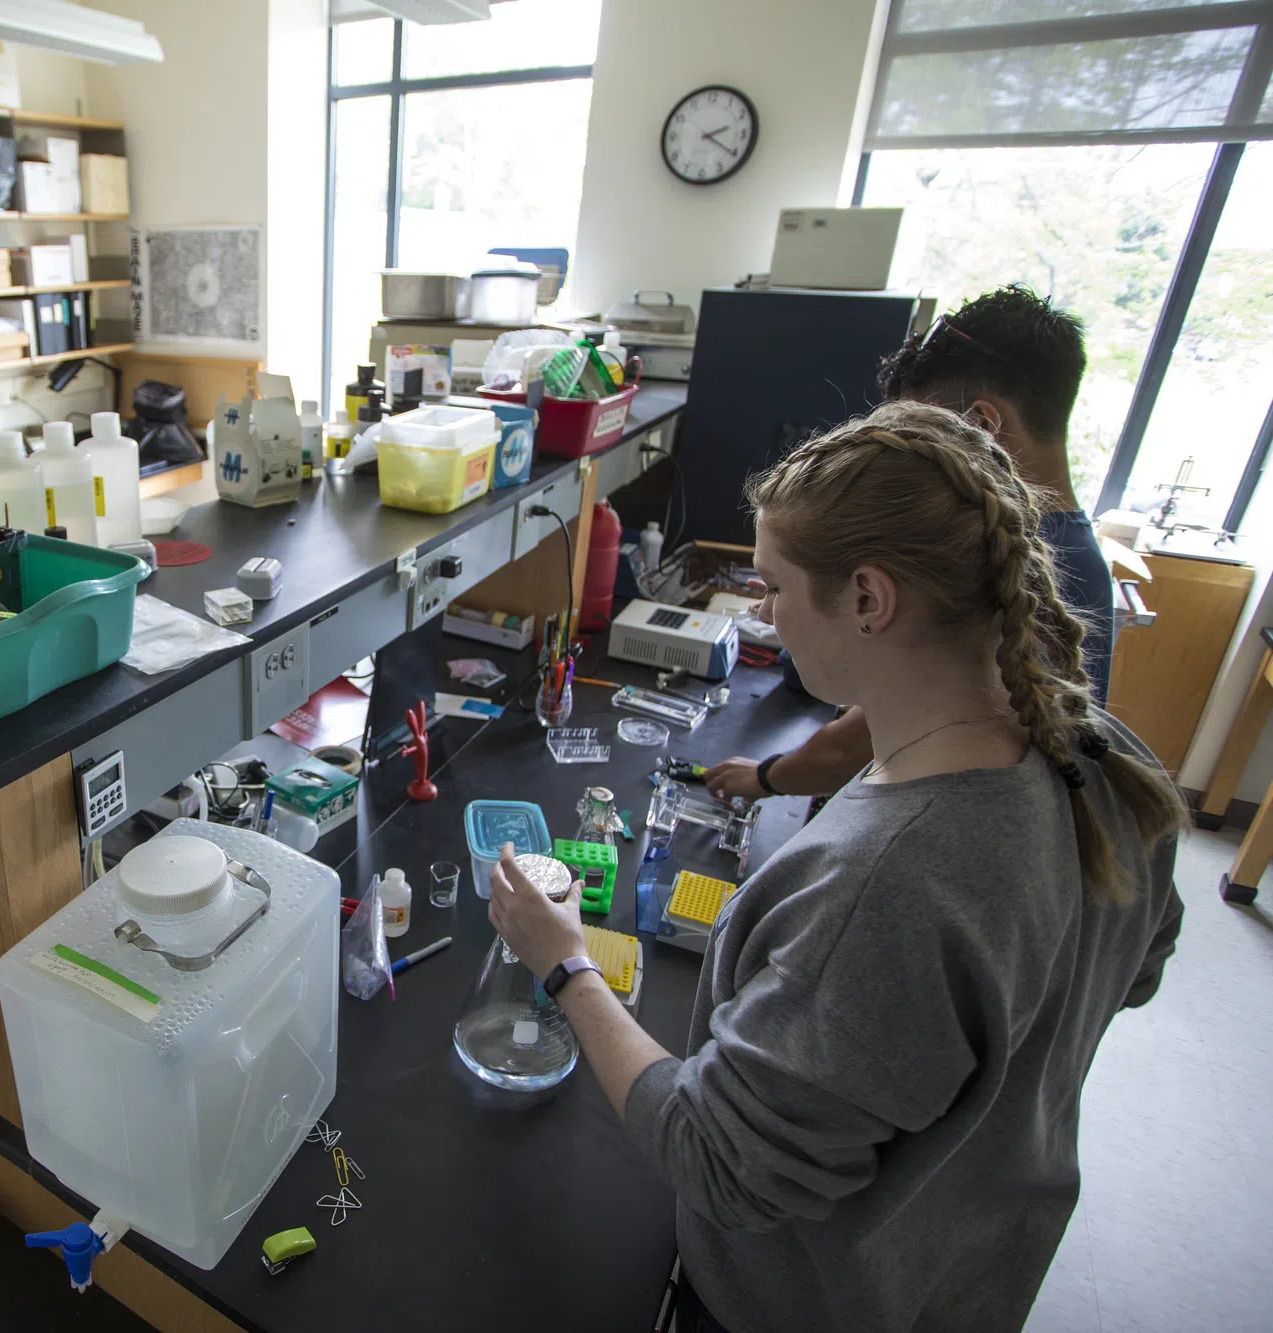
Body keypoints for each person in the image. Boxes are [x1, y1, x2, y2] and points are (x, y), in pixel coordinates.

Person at [489, 402, 1184, 1333]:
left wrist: (565, 962)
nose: (763, 613)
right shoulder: (1105, 757)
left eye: (773, 587)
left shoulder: (893, 881)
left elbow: (719, 1161)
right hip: (970, 1261)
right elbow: (1136, 969)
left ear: (869, 598)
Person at [705, 285, 1116, 805]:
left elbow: (857, 743)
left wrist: (766, 777)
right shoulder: (1054, 546)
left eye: (918, 435)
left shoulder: (1042, 568)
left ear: (980, 428)